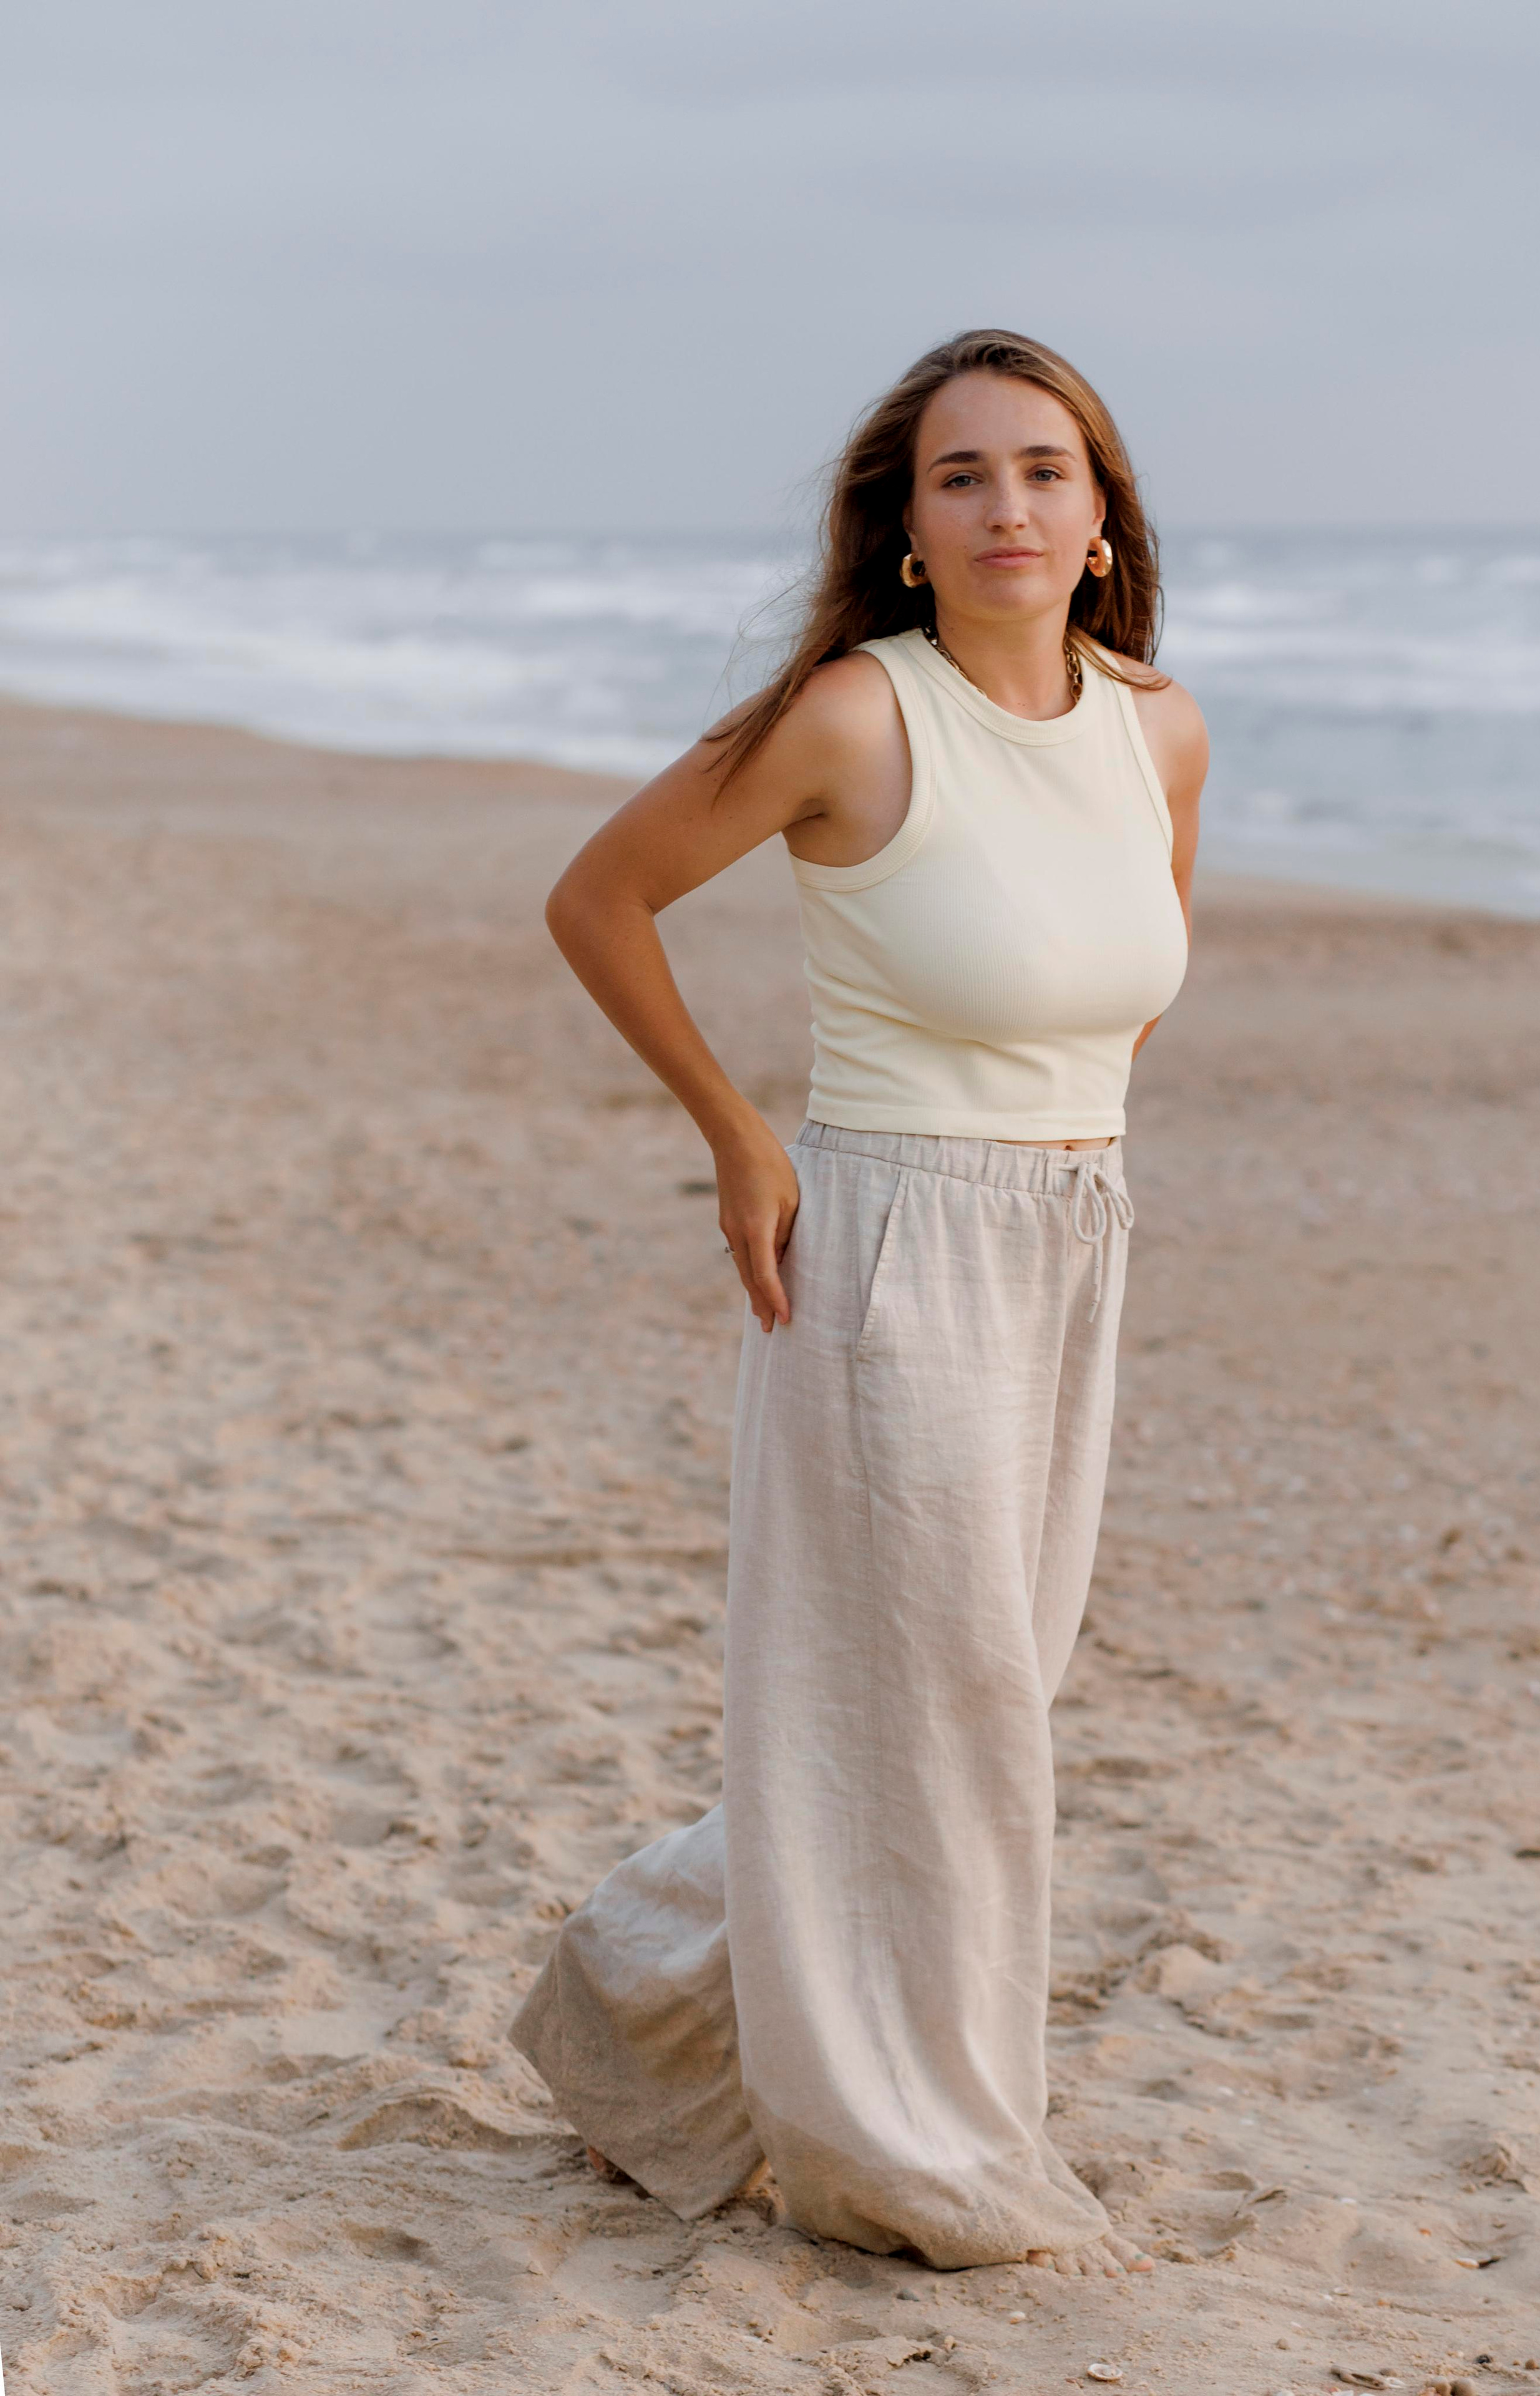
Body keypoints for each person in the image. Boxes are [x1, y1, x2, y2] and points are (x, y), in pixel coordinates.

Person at [509, 328, 1206, 2276]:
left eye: (1045, 473)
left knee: (951, 1701)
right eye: (962, 477)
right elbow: (598, 897)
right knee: (957, 1720)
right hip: (890, 1242)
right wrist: (742, 1130)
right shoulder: (851, 718)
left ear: (1100, 517)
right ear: (904, 532)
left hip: (1074, 1240)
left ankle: (623, 2001)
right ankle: (920, 2155)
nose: (1008, 508)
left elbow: (1138, 974)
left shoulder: (1159, 725)